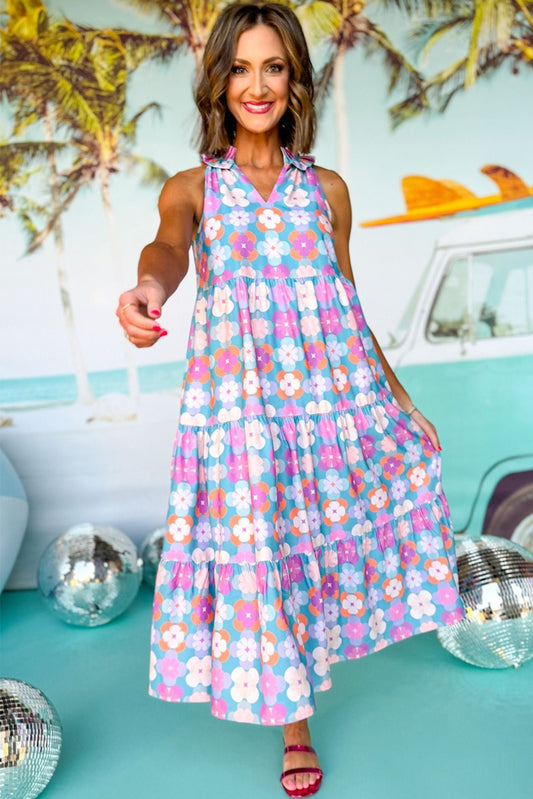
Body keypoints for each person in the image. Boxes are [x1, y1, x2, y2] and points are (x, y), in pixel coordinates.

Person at [116, 3, 466, 796]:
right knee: (263, 552)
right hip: (240, 415)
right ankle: (294, 723)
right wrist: (148, 287)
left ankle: (311, 678)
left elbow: (344, 302)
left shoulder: (327, 191)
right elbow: (168, 246)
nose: (256, 84)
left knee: (313, 549)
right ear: (218, 81)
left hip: (325, 407)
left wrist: (400, 400)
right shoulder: (194, 187)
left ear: (294, 78)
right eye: (239, 67)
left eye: (272, 66)